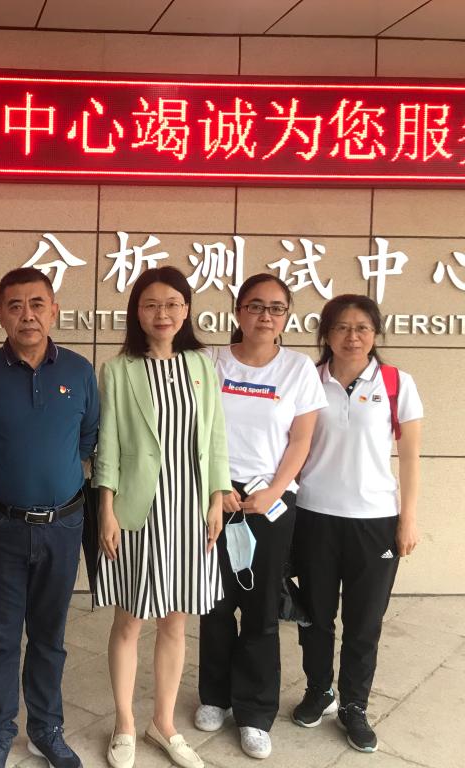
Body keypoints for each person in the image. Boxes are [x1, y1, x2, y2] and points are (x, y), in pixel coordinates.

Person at [0, 268, 99, 768]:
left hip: (63, 525)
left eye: (37, 304)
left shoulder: (79, 371)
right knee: (0, 635)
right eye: (15, 305)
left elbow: (86, 444)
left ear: (54, 310)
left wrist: (52, 489)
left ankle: (46, 728)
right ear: (0, 315)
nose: (27, 315)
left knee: (50, 635)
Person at [93, 266, 229, 768]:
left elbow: (215, 436)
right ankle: (125, 724)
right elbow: (108, 443)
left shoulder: (202, 365)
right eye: (151, 304)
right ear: (137, 312)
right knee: (129, 620)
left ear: (186, 310)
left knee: (176, 621)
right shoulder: (119, 369)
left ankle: (164, 724)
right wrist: (106, 508)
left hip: (190, 510)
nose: (162, 313)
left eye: (172, 303)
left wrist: (216, 498)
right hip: (138, 510)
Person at [194, 273, 327, 760]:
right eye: (254, 306)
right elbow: (195, 429)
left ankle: (254, 712)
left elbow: (301, 440)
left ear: (286, 316)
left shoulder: (298, 369)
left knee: (261, 609)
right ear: (237, 312)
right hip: (214, 497)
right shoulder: (210, 361)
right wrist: (217, 486)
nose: (265, 316)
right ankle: (215, 697)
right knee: (213, 603)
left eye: (275, 308)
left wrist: (272, 491)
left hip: (271, 501)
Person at [290, 294, 422, 753]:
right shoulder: (308, 379)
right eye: (342, 328)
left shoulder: (396, 383)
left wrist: (408, 519)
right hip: (314, 515)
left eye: (362, 328)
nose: (352, 337)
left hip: (375, 520)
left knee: (364, 621)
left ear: (375, 333)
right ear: (325, 333)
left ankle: (354, 705)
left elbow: (410, 458)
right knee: (315, 616)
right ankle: (319, 690)